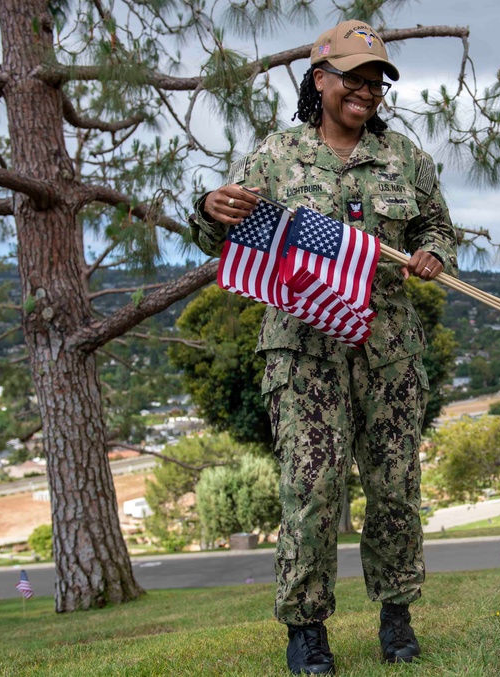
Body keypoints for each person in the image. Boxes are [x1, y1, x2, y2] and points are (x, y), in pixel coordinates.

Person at [190, 19, 458, 675]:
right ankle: (305, 630)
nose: (366, 93)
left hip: (387, 348)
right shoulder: (275, 156)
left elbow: (437, 228)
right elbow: (220, 234)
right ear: (320, 81)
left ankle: (396, 616)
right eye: (353, 80)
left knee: (394, 489)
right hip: (302, 351)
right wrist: (207, 208)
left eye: (375, 83)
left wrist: (431, 254)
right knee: (309, 489)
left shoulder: (404, 158)